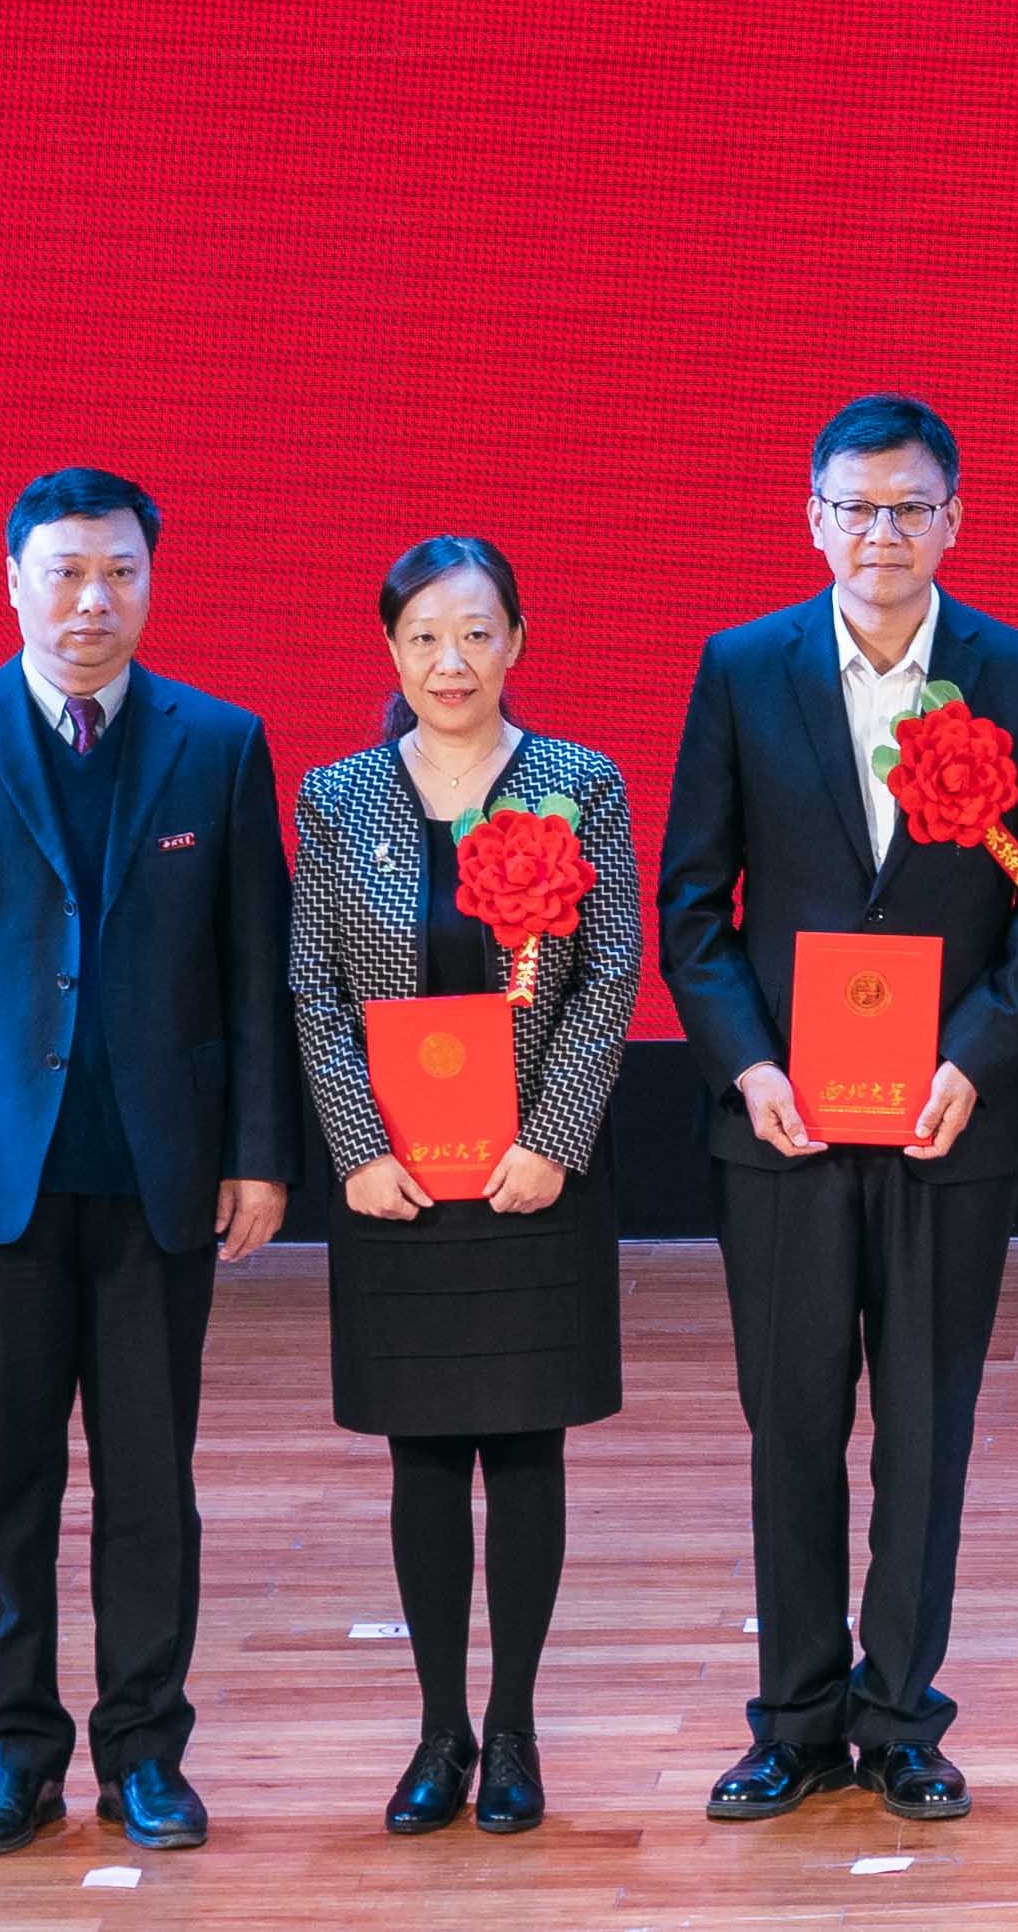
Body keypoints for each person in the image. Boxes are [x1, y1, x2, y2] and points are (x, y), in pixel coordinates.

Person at [658, 394, 1018, 1828]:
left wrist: (977, 1052)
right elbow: (692, 905)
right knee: (790, 1422)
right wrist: (749, 1064)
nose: (882, 531)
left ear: (953, 519)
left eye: (910, 506)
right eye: (855, 507)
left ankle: (902, 1715)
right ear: (812, 520)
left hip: (946, 1120)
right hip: (784, 1124)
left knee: (925, 1422)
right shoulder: (742, 669)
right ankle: (793, 1720)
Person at [0, 468, 293, 1859]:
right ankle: (15, 1758)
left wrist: (259, 1156)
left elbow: (255, 969)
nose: (93, 600)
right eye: (66, 571)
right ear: (13, 581)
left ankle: (146, 1754)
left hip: (164, 1175)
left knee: (153, 1484)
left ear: (151, 581)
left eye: (120, 572)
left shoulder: (219, 743)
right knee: (7, 1483)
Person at [288, 535, 645, 1838]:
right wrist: (355, 1149)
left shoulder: (576, 782)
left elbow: (608, 972)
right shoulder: (336, 796)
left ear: (517, 642)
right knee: (425, 1454)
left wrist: (553, 1137)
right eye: (426, 636)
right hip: (397, 1182)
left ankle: (514, 1729)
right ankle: (438, 1732)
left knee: (528, 1446)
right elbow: (314, 986)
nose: (452, 661)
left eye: (477, 632)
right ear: (391, 650)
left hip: (532, 1179)